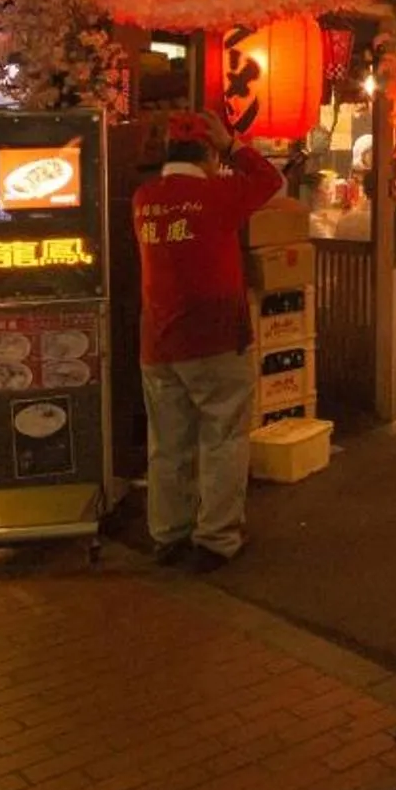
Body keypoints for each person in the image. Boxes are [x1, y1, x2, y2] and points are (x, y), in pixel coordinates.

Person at [132, 110, 282, 571]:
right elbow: (270, 178)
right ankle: (216, 538)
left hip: (158, 343)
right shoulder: (218, 194)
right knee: (222, 439)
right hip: (216, 337)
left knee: (168, 444)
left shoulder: (143, 198)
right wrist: (234, 143)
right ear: (208, 155)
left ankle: (169, 535)